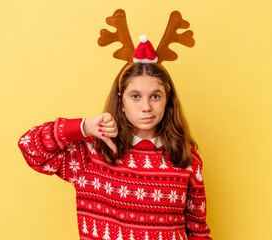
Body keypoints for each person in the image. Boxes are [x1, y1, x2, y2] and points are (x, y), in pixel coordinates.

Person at [18, 9, 212, 240]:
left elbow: (198, 231)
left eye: (155, 96)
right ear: (121, 102)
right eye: (136, 96)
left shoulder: (186, 157)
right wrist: (84, 127)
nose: (146, 107)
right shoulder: (91, 153)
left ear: (167, 101)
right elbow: (30, 148)